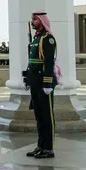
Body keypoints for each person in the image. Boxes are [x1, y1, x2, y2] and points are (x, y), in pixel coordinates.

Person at [24, 12, 59, 159]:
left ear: (42, 21)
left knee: (47, 116)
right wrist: (27, 79)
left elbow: (49, 62)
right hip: (35, 81)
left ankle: (49, 148)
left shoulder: (48, 39)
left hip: (44, 83)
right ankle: (41, 146)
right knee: (39, 115)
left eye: (35, 19)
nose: (32, 22)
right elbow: (31, 62)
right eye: (32, 19)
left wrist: (47, 82)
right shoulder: (36, 38)